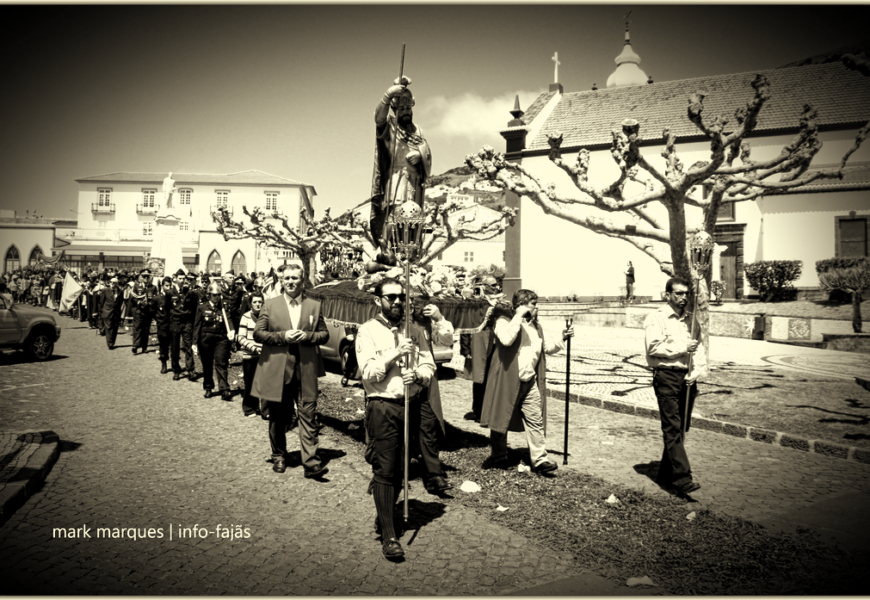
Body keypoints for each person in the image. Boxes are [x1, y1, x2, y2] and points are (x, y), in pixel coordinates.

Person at [355, 278, 437, 560]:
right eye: (391, 298)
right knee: (386, 469)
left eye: (402, 297)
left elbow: (428, 362)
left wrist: (420, 375)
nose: (398, 302)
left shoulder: (413, 329)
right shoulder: (366, 332)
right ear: (378, 300)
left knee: (403, 466)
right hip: (383, 406)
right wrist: (395, 354)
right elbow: (368, 373)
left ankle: (384, 511)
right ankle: (389, 536)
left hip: (411, 404)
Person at [480, 289, 574, 475]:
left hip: (529, 380)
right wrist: (518, 316)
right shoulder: (503, 321)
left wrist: (562, 336)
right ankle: (498, 457)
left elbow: (546, 348)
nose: (536, 307)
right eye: (533, 304)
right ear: (521, 304)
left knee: (535, 420)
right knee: (502, 417)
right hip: (507, 379)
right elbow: (506, 339)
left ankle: (539, 460)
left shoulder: (535, 327)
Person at [253, 263, 330, 479]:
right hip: (278, 368)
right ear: (281, 280)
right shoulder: (270, 305)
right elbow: (258, 334)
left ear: (302, 280)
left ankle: (311, 463)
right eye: (286, 278)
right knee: (278, 416)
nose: (290, 282)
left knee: (308, 414)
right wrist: (282, 337)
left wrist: (308, 337)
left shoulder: (314, 305)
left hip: (305, 369)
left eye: (294, 278)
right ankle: (279, 455)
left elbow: (324, 335)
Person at [643, 276, 706, 496]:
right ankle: (682, 478)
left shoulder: (692, 319)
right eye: (678, 293)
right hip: (666, 377)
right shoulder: (656, 318)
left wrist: (697, 371)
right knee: (671, 427)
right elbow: (653, 347)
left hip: (687, 379)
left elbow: (698, 348)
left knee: (680, 428)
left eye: (686, 294)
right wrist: (682, 346)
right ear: (668, 294)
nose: (683, 298)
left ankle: (664, 473)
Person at [369, 75, 432, 263]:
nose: (406, 111)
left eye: (408, 108)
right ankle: (384, 246)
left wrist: (420, 156)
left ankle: (410, 252)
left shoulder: (418, 130)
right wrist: (387, 96)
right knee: (395, 211)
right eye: (401, 108)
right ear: (395, 109)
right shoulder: (390, 126)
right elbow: (378, 118)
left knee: (413, 216)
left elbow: (426, 151)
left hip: (415, 179)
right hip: (397, 176)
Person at [407, 289, 455, 495]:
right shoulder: (395, 323)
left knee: (428, 428)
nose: (419, 307)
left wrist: (439, 318)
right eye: (414, 303)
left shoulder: (428, 323)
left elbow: (446, 341)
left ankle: (433, 475)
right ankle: (395, 472)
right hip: (401, 384)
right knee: (401, 428)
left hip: (425, 383)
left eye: (422, 303)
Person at [193, 282, 234, 400]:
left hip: (221, 339)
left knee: (221, 362)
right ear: (209, 295)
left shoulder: (224, 307)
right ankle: (208, 387)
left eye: (218, 295)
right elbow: (197, 326)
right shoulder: (202, 308)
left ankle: (224, 389)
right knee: (207, 364)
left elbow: (229, 319)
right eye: (214, 295)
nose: (217, 297)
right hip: (205, 339)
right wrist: (194, 343)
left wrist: (231, 330)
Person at [237, 291, 264, 418]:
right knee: (250, 382)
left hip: (264, 356)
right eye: (255, 302)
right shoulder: (245, 317)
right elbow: (241, 338)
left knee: (263, 382)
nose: (258, 304)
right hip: (249, 355)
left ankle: (263, 409)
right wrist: (253, 348)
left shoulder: (266, 317)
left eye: (260, 302)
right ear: (250, 304)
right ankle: (249, 408)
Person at [170, 273, 199, 380]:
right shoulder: (170, 292)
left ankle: (190, 369)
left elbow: (194, 308)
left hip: (187, 322)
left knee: (188, 346)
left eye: (183, 278)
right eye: (180, 278)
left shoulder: (190, 293)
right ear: (176, 279)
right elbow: (167, 308)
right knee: (175, 347)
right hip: (175, 322)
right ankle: (176, 370)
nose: (182, 280)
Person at [130, 268, 157, 355]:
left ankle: (144, 347)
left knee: (146, 330)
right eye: (144, 276)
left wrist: (150, 303)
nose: (146, 278)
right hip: (139, 311)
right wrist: (138, 302)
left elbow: (156, 299)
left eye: (147, 277)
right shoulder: (136, 286)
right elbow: (132, 298)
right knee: (137, 328)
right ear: (141, 277)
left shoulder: (153, 287)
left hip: (148, 312)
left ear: (150, 277)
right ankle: (135, 345)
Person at [152, 277, 176, 374]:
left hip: (173, 324)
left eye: (170, 285)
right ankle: (164, 364)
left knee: (174, 346)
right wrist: (158, 319)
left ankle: (175, 366)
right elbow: (153, 311)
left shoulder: (174, 297)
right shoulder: (157, 298)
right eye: (166, 285)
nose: (168, 287)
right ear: (162, 286)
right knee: (163, 345)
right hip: (162, 325)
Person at [95, 276, 124, 349]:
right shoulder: (105, 290)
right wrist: (102, 311)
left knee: (115, 328)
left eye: (114, 283)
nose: (112, 284)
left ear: (117, 283)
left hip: (116, 313)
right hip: (107, 312)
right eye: (111, 282)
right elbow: (102, 302)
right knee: (109, 328)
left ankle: (112, 342)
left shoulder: (120, 291)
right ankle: (109, 343)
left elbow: (120, 302)